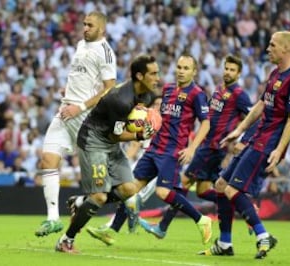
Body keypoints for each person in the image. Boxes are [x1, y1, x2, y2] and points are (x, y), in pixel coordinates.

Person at [86, 54, 213, 246]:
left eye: (186, 68)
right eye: (179, 67)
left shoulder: (197, 94)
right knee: (129, 189)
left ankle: (201, 220)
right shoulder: (168, 89)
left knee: (163, 192)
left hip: (172, 151)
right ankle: (111, 231)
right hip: (154, 148)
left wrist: (192, 148)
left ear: (194, 72)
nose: (181, 71)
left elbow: (206, 123)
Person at [204, 31, 290, 259]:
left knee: (233, 190)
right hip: (255, 138)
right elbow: (260, 105)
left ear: (286, 49)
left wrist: (279, 150)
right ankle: (224, 243)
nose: (267, 48)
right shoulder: (275, 74)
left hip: (268, 144)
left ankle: (263, 235)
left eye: (272, 45)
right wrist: (238, 130)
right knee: (221, 184)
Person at [137, 55, 252, 241]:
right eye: (226, 68)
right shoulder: (218, 90)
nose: (228, 72)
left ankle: (163, 226)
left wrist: (243, 140)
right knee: (203, 190)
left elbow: (253, 118)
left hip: (212, 147)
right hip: (208, 145)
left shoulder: (239, 94)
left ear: (239, 74)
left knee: (182, 182)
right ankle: (243, 205)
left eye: (232, 70)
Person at [55, 54, 161, 253]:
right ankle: (65, 240)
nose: (158, 78)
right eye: (153, 74)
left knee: (130, 189)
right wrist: (139, 134)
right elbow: (116, 135)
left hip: (110, 142)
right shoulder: (120, 100)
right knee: (99, 197)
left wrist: (144, 125)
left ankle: (79, 202)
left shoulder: (145, 96)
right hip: (94, 141)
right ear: (139, 76)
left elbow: (127, 125)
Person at [35, 11, 117, 237]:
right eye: (84, 24)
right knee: (48, 159)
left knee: (99, 187)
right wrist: (68, 92)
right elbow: (81, 77)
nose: (85, 28)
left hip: (85, 117)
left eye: (90, 25)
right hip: (66, 110)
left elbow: (110, 88)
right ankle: (52, 219)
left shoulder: (106, 52)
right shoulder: (81, 44)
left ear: (102, 29)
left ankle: (72, 231)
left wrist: (80, 106)